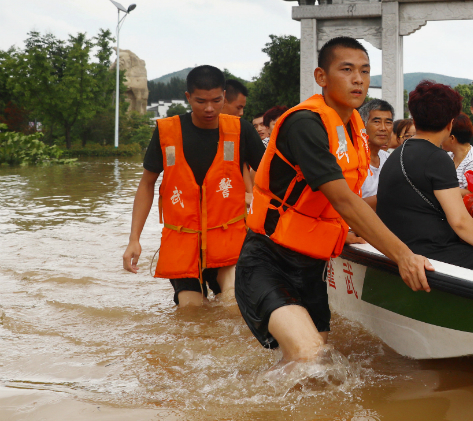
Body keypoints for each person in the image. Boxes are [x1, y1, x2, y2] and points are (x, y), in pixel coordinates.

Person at [235, 36, 432, 365]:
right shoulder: (305, 124)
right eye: (347, 69)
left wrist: (347, 232)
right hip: (268, 262)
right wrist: (403, 255)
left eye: (365, 71)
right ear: (321, 77)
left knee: (312, 366)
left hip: (312, 269)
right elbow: (342, 199)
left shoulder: (354, 124)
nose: (358, 79)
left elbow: (345, 201)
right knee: (308, 355)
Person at [122, 65, 266, 306]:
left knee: (233, 302)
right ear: (188, 97)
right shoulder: (166, 132)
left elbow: (271, 178)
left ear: (223, 95)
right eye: (200, 101)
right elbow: (147, 184)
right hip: (183, 241)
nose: (209, 108)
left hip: (227, 237)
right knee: (191, 309)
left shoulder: (242, 131)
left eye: (216, 100)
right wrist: (134, 238)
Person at [376, 80, 473, 281]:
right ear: (450, 123)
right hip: (429, 249)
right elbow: (460, 221)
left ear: (414, 118)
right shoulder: (437, 157)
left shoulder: (397, 154)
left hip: (401, 243)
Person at [221, 79, 259, 209]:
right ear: (223, 99)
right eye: (239, 107)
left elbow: (263, 167)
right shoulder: (243, 127)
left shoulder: (242, 129)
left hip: (234, 210)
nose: (241, 113)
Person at [359, 98, 394, 203]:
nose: (383, 128)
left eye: (388, 122)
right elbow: (346, 206)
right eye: (377, 122)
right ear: (362, 124)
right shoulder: (352, 159)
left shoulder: (388, 159)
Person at [440, 113, 473, 191]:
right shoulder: (448, 157)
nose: (440, 138)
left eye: (442, 134)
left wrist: (441, 190)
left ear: (452, 138)